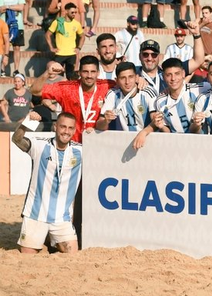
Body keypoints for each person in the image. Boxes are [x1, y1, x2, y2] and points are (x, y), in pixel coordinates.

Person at [13, 111, 82, 254]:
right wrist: (27, 123)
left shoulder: (80, 151)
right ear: (55, 127)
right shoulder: (40, 146)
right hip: (35, 215)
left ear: (74, 130)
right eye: (63, 127)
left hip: (62, 218)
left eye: (70, 128)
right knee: (27, 257)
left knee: (72, 255)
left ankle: (47, 238)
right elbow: (17, 139)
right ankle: (44, 238)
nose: (66, 131)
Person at [30, 56, 114, 142]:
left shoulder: (107, 86)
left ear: (98, 73)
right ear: (79, 73)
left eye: (93, 72)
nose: (89, 76)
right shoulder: (67, 88)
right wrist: (47, 73)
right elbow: (35, 91)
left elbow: (125, 86)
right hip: (72, 144)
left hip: (98, 144)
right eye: (85, 72)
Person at [131, 58, 208, 149]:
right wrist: (161, 127)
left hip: (201, 146)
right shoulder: (160, 101)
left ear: (183, 74)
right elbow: (168, 131)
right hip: (177, 148)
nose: (173, 78)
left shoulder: (201, 89)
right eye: (168, 75)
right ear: (163, 77)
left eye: (177, 74)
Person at [95, 61, 153, 132]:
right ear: (116, 80)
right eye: (123, 78)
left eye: (130, 77)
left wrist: (144, 133)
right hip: (123, 140)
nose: (127, 82)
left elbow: (156, 122)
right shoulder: (112, 94)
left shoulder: (147, 92)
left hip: (146, 139)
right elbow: (99, 126)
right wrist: (105, 121)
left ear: (137, 77)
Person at [45, 1, 83, 78]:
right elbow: (47, 34)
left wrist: (79, 48)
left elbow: (82, 36)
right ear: (66, 11)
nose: (74, 14)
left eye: (75, 12)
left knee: (71, 77)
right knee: (58, 76)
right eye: (72, 12)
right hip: (60, 54)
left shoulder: (76, 24)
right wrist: (51, 48)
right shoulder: (58, 22)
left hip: (71, 54)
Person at [0, 0, 26, 75]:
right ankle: (2, 69)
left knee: (17, 47)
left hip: (17, 25)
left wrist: (7, 6)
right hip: (4, 24)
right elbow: (0, 9)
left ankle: (16, 70)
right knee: (3, 46)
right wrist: (13, 7)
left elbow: (21, 7)